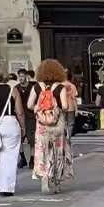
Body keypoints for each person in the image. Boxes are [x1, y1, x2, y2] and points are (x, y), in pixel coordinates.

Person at [27, 59, 73, 194]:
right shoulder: (60, 88)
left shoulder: (37, 87)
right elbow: (65, 106)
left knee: (42, 151)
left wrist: (39, 108)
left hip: (42, 126)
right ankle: (57, 182)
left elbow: (29, 105)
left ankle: (44, 177)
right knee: (57, 152)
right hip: (57, 125)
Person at [15, 66, 40, 171]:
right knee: (19, 138)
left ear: (26, 76)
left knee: (31, 138)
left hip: (30, 115)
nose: (21, 78)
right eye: (19, 76)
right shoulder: (16, 88)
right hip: (19, 115)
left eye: (22, 76)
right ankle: (23, 158)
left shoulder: (32, 87)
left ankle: (32, 159)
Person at [62, 69, 79, 138]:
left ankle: (64, 136)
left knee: (63, 123)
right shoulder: (72, 86)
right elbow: (74, 98)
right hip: (71, 107)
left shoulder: (59, 85)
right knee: (71, 123)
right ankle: (69, 137)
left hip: (62, 107)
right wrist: (76, 109)